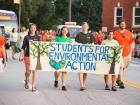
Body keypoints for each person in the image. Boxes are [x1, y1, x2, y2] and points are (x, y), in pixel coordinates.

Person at [19, 24, 40, 92]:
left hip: (35, 56)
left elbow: (41, 46)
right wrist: (21, 55)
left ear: (36, 29)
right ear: (30, 29)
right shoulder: (26, 37)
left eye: (34, 28)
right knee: (28, 72)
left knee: (34, 71)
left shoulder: (38, 37)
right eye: (31, 28)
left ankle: (33, 86)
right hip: (27, 56)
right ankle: (27, 80)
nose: (33, 29)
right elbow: (23, 47)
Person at [114, 20, 134, 89]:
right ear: (119, 25)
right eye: (121, 24)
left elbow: (131, 42)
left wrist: (132, 51)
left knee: (124, 67)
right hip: (119, 53)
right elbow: (113, 42)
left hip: (127, 54)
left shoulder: (128, 33)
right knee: (121, 67)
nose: (123, 25)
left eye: (124, 24)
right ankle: (121, 82)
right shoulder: (115, 33)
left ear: (125, 25)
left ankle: (118, 79)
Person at [75, 22, 94, 91]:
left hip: (88, 55)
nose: (85, 27)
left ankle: (83, 82)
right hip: (80, 55)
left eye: (86, 26)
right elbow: (76, 44)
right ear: (82, 27)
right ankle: (81, 85)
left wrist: (90, 46)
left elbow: (93, 45)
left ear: (88, 27)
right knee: (81, 70)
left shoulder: (90, 35)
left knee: (85, 71)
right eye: (83, 26)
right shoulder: (78, 34)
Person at [54, 26, 72, 91]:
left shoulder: (69, 39)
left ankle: (63, 85)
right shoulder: (57, 38)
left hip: (66, 57)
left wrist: (72, 44)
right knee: (57, 71)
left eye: (66, 30)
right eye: (63, 30)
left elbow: (72, 48)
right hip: (58, 57)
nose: (64, 31)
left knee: (64, 71)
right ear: (61, 31)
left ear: (67, 32)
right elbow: (53, 46)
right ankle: (56, 80)